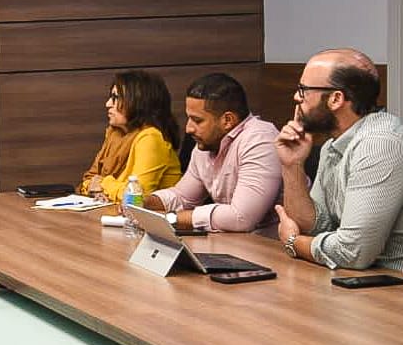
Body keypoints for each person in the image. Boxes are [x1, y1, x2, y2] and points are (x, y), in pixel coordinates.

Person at [275, 48, 403, 270]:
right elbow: (314, 226)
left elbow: (354, 252)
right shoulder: (333, 145)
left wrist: (293, 242)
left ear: (336, 99)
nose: (296, 97)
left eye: (303, 90)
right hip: (358, 279)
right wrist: (292, 165)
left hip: (392, 281)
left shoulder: (379, 144)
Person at [142, 73, 282, 232]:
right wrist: (144, 204)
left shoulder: (260, 140)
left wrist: (171, 218)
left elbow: (241, 218)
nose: (188, 129)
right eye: (189, 118)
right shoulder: (207, 143)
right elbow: (183, 197)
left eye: (197, 120)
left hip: (271, 243)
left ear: (228, 120)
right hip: (232, 241)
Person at [78, 70, 181, 203]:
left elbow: (136, 197)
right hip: (118, 211)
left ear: (138, 101)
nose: (108, 104)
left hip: (151, 215)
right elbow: (89, 180)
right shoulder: (115, 134)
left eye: (115, 98)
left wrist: (103, 183)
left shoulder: (151, 137)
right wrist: (96, 188)